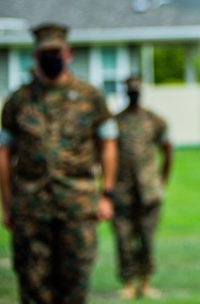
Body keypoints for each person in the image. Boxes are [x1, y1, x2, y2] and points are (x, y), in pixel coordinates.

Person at [0, 22, 119, 303]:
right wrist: (7, 203)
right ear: (35, 56)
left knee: (75, 284)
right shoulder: (19, 101)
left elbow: (108, 145)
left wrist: (107, 194)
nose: (51, 58)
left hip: (77, 206)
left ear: (69, 54)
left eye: (57, 52)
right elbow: (3, 153)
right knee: (33, 287)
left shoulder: (90, 97)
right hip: (30, 208)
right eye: (45, 54)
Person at [113, 74, 172, 300]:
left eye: (136, 88)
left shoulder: (154, 120)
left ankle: (145, 282)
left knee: (147, 238)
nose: (133, 92)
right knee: (124, 239)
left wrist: (162, 180)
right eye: (130, 89)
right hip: (122, 189)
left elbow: (167, 150)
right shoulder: (115, 122)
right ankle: (128, 283)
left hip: (148, 190)